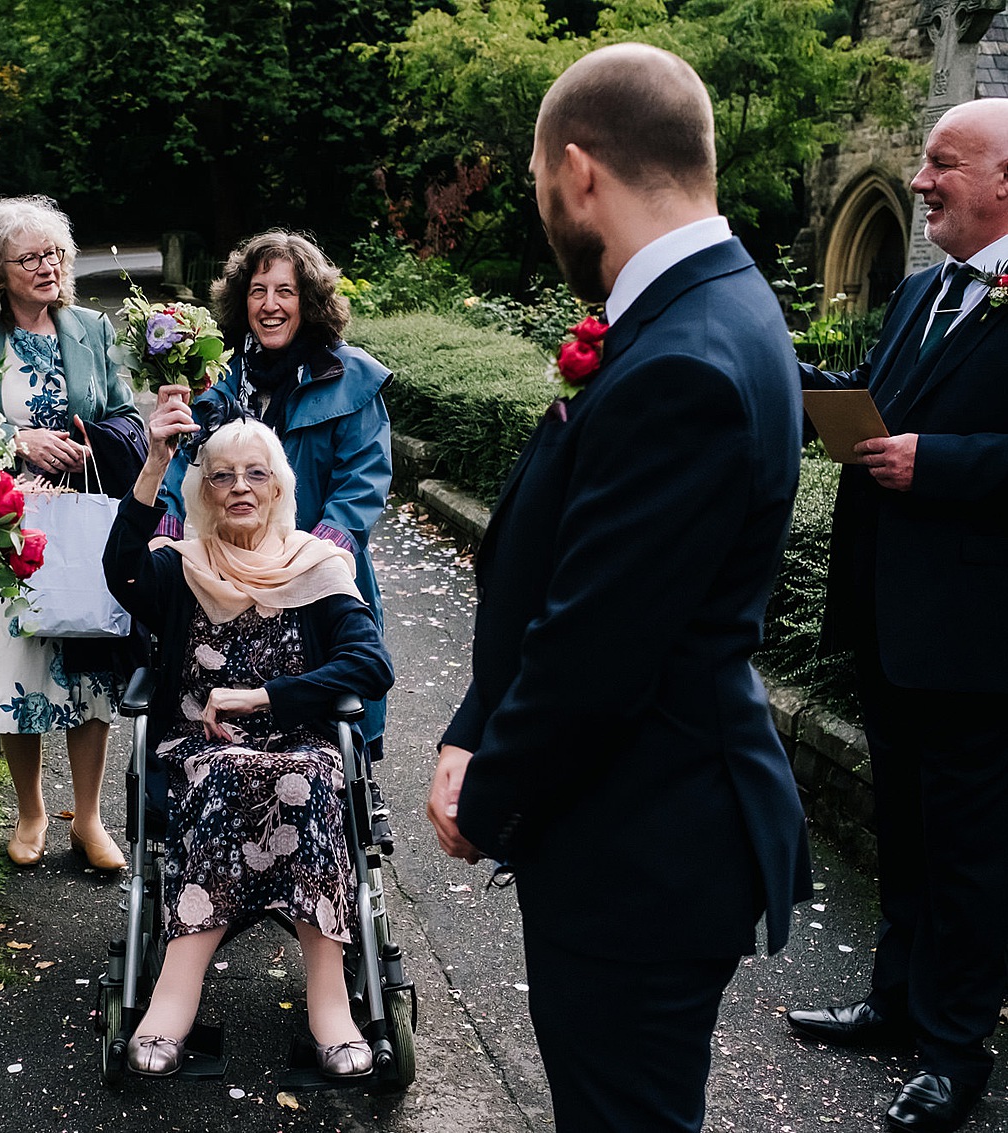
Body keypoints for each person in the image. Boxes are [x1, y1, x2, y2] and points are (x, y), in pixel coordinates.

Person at [425, 44, 810, 1133]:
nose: (546, 205)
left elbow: (597, 649)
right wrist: (470, 721)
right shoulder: (699, 310)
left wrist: (487, 796)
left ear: (577, 170)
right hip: (639, 827)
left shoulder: (683, 355)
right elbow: (566, 566)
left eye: (543, 181)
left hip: (641, 849)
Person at [785, 98, 1008, 1133]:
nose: (918, 183)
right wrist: (790, 381)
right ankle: (891, 1002)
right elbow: (874, 399)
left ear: (1003, 180)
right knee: (904, 832)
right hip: (883, 617)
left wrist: (944, 462)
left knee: (968, 850)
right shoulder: (919, 290)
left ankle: (954, 1051)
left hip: (976, 638)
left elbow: (947, 445)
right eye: (919, 165)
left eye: (940, 164)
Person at [106, 410, 393, 1079]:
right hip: (198, 752)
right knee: (235, 771)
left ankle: (329, 1005)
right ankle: (175, 995)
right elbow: (120, 574)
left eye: (255, 474)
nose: (240, 486)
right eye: (222, 475)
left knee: (312, 776)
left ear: (278, 489)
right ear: (203, 492)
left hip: (300, 743)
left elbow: (369, 664)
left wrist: (266, 696)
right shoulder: (181, 568)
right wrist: (155, 461)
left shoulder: (317, 566)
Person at [0, 195, 143, 870]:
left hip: (78, 525)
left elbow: (126, 418)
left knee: (88, 672)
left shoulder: (89, 329)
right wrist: (16, 438)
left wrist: (87, 443)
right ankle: (31, 812)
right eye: (31, 257)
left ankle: (91, 818)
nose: (48, 267)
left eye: (55, 254)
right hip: (4, 523)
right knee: (15, 672)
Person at [155, 230, 393, 758]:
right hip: (231, 570)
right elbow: (182, 464)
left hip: (315, 569)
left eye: (285, 291)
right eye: (258, 291)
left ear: (308, 301)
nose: (270, 305)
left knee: (329, 696)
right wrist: (169, 527)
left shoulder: (351, 378)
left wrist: (316, 554)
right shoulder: (223, 382)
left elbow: (363, 479)